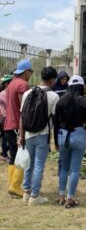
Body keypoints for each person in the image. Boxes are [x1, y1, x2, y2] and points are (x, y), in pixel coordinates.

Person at [54, 75, 86, 208]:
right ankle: (70, 198)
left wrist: (56, 141)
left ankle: (61, 197)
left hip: (62, 135)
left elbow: (56, 122)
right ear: (81, 86)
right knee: (74, 170)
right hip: (78, 134)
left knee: (63, 168)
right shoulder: (84, 100)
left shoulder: (61, 101)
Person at [18, 67, 59, 205]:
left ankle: (26, 192)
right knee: (39, 165)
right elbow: (55, 119)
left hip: (28, 134)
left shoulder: (27, 93)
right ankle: (35, 196)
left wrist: (21, 135)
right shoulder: (54, 96)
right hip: (43, 134)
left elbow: (22, 117)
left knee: (29, 164)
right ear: (52, 79)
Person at [4, 59, 32, 198]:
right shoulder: (23, 84)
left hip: (8, 124)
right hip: (17, 125)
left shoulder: (11, 83)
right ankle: (15, 186)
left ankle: (12, 186)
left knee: (13, 156)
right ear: (26, 72)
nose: (31, 75)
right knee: (21, 155)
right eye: (31, 72)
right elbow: (24, 107)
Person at [0, 75, 13, 162]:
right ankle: (4, 154)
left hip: (8, 118)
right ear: (6, 84)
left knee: (7, 137)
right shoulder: (3, 94)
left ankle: (4, 152)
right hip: (4, 118)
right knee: (5, 137)